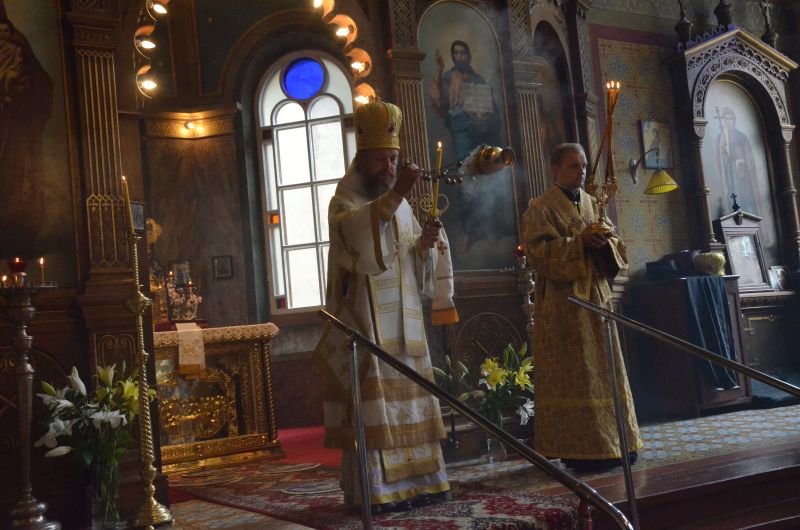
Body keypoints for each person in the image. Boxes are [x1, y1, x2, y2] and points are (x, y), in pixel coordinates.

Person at [314, 99, 459, 513]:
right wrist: (396, 194)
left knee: (413, 399)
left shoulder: (402, 203)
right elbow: (360, 246)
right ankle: (377, 490)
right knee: (375, 406)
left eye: (393, 159)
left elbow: (409, 257)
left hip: (406, 326)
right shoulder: (343, 203)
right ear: (362, 161)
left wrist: (425, 245)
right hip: (368, 326)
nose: (389, 167)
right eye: (381, 159)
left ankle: (424, 483)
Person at [521, 143, 642, 471]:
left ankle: (620, 442)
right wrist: (579, 243)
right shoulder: (540, 208)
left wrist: (605, 244)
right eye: (574, 166)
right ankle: (581, 449)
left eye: (584, 165)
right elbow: (538, 254)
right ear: (555, 170)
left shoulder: (593, 203)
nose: (582, 172)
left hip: (597, 299)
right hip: (564, 306)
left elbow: (617, 248)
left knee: (607, 370)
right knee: (578, 376)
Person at [428, 40, 506, 254]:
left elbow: (492, 109)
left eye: (463, 53)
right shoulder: (448, 77)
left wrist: (486, 115)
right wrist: (439, 70)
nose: (459, 57)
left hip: (481, 133)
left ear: (469, 55)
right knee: (465, 179)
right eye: (455, 53)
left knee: (486, 179)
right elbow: (438, 100)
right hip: (461, 132)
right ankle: (470, 230)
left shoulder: (478, 79)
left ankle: (488, 227)